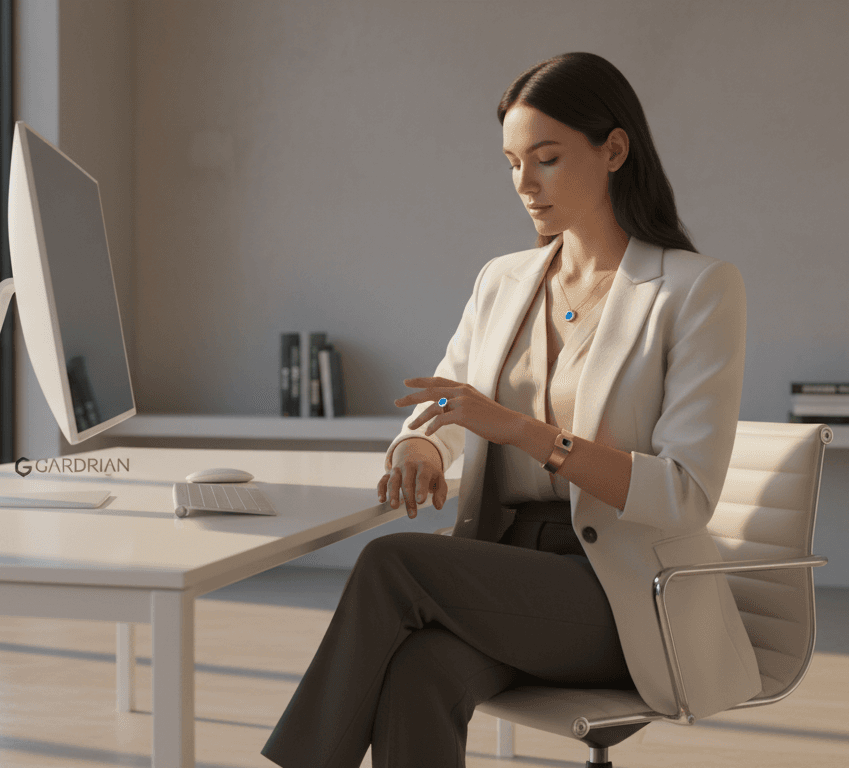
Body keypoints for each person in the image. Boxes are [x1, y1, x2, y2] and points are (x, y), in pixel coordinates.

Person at [262, 51, 761, 768]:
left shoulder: (696, 289)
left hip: (619, 594)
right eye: (510, 163)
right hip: (504, 571)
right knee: (419, 673)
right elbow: (449, 394)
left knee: (392, 563)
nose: (524, 184)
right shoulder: (505, 279)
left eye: (547, 159)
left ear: (614, 149)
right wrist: (423, 446)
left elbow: (685, 495)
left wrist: (526, 433)